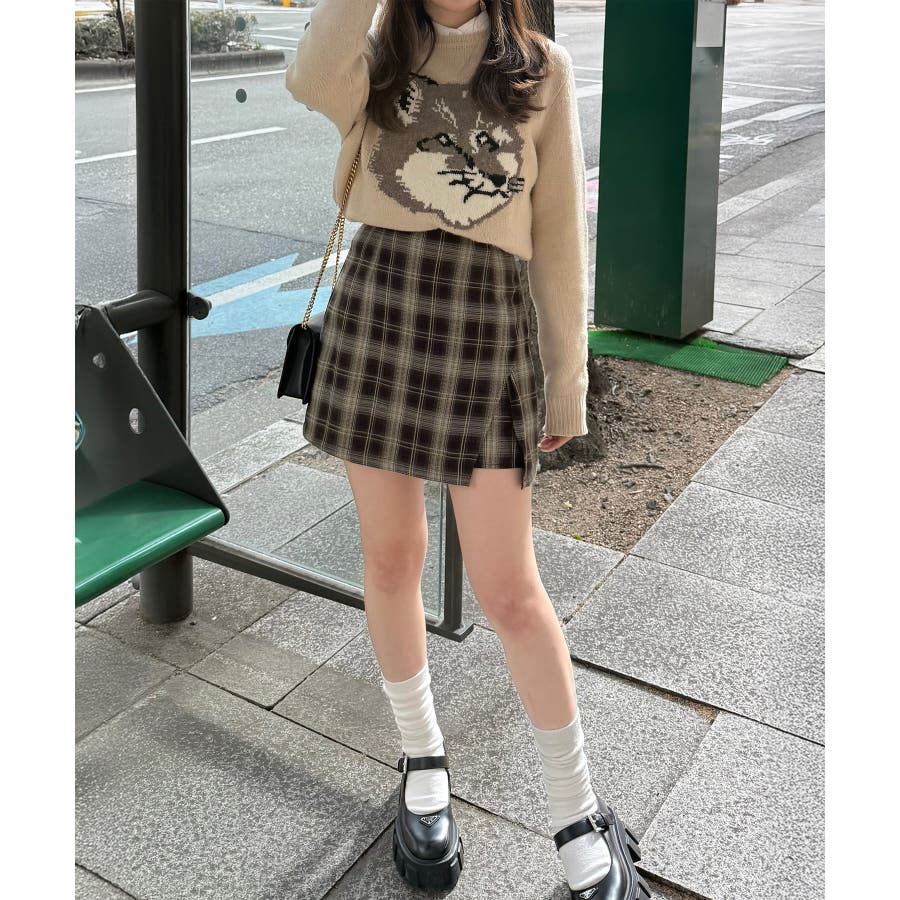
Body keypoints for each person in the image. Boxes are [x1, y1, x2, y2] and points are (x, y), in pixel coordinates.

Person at [285, 2, 649, 898]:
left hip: (486, 323)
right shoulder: (377, 50)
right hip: (379, 310)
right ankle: (421, 758)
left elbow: (558, 234)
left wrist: (565, 380)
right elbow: (309, 77)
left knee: (510, 588)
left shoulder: (539, 67)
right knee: (390, 557)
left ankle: (576, 807)